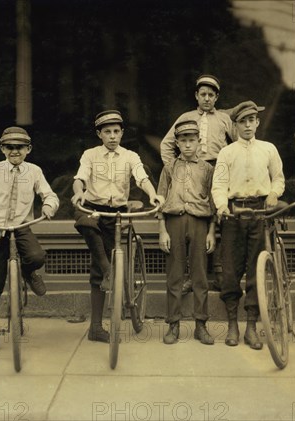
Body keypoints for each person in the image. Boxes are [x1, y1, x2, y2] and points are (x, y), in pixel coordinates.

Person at [0, 126, 59, 356]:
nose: (15, 151)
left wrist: (49, 206)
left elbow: (49, 194)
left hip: (20, 228)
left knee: (37, 256)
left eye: (20, 147)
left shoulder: (34, 171)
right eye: (10, 147)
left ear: (28, 149)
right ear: (2, 149)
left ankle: (28, 272)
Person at [71, 110, 161, 343]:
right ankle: (107, 273)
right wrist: (79, 192)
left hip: (116, 214)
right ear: (99, 134)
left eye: (116, 131)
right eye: (107, 132)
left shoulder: (130, 156)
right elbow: (80, 177)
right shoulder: (90, 155)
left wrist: (152, 195)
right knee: (85, 221)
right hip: (93, 207)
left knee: (99, 273)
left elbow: (141, 177)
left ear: (121, 133)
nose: (112, 136)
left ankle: (96, 324)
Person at [211, 101, 285, 350]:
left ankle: (251, 327)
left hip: (260, 214)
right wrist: (222, 206)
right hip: (234, 215)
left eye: (252, 120)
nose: (247, 125)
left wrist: (274, 193)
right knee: (230, 272)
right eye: (242, 121)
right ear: (236, 125)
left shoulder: (268, 149)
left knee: (256, 271)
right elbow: (219, 184)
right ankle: (233, 324)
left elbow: (278, 178)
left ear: (257, 122)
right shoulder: (227, 152)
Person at [160, 74, 234, 294]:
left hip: (217, 170)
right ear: (196, 96)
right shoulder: (186, 117)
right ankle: (189, 277)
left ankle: (219, 274)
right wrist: (174, 168)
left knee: (218, 218)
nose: (207, 98)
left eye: (211, 95)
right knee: (191, 220)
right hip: (189, 170)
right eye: (203, 94)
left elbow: (237, 145)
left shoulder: (223, 119)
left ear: (217, 97)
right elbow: (167, 144)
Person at [157, 120, 216, 345]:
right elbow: (160, 200)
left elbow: (212, 201)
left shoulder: (207, 168)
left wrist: (212, 231)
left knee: (200, 275)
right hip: (174, 222)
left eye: (192, 140)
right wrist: (162, 230)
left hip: (200, 222)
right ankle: (173, 324)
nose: (188, 145)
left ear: (199, 142)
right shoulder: (169, 167)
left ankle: (201, 325)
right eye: (183, 141)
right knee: (175, 274)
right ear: (178, 144)